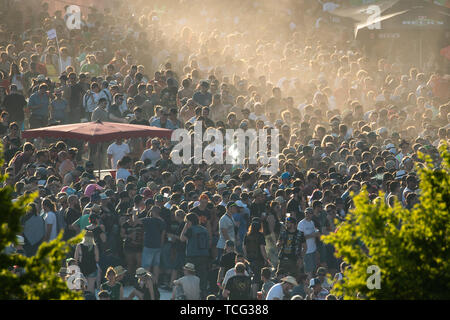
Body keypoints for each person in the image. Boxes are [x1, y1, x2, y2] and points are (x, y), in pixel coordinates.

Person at [180, 212, 210, 298]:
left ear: (190, 221)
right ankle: (203, 293)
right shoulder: (204, 229)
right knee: (202, 276)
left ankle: (191, 294)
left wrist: (185, 227)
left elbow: (182, 238)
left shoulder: (191, 229)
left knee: (190, 276)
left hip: (192, 256)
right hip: (204, 255)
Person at [139, 206, 166, 285]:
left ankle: (144, 282)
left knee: (146, 265)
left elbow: (136, 221)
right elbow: (163, 235)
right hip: (158, 246)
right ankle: (155, 282)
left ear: (152, 212)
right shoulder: (162, 221)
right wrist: (161, 245)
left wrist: (134, 213)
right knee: (156, 265)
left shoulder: (148, 220)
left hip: (148, 245)